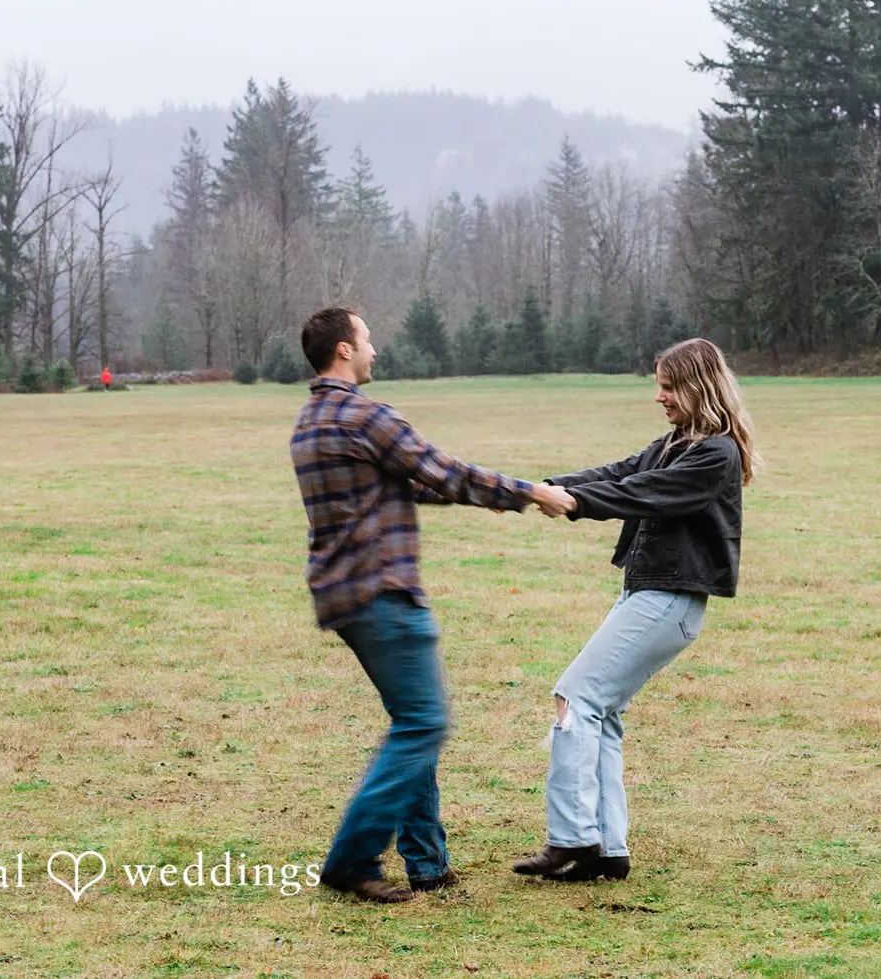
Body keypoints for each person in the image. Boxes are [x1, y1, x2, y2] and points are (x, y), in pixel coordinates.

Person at [289, 306, 575, 905]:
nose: (375, 349)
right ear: (344, 350)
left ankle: (427, 864)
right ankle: (351, 859)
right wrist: (528, 492)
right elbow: (441, 470)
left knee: (411, 723)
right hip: (382, 591)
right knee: (424, 723)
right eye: (367, 339)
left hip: (343, 594)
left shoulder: (311, 421)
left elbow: (403, 482)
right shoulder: (365, 416)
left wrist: (485, 497)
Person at [513, 338, 761, 883]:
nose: (660, 397)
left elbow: (642, 492)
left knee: (575, 698)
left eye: (669, 387)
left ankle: (572, 839)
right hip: (649, 594)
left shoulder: (714, 454)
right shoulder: (677, 442)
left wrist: (574, 503)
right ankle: (607, 849)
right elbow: (621, 471)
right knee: (599, 710)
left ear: (698, 386)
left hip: (669, 599)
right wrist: (549, 487)